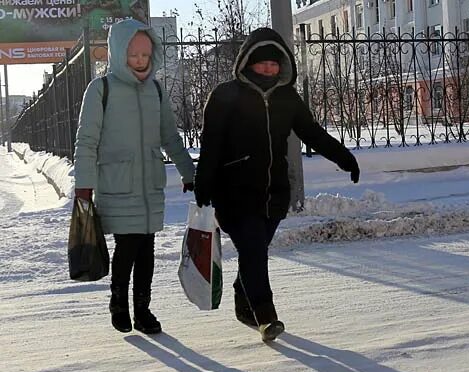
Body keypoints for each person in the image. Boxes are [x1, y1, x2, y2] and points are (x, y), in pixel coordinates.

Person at [193, 27, 360, 343]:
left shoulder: (287, 98)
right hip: (235, 195)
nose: (269, 68)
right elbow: (211, 144)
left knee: (255, 252)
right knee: (254, 250)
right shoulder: (225, 96)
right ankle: (265, 314)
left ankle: (244, 296)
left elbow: (312, 133)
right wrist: (204, 185)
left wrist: (344, 157)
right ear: (247, 63)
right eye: (262, 62)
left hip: (274, 194)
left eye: (274, 63)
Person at [73, 19, 196, 334]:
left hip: (149, 185)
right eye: (133, 55)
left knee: (147, 248)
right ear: (117, 53)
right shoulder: (101, 90)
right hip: (118, 184)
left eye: (145, 55)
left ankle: (143, 308)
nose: (141, 61)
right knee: (127, 246)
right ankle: (118, 301)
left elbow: (170, 136)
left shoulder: (155, 90)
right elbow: (86, 142)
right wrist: (84, 187)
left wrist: (189, 172)